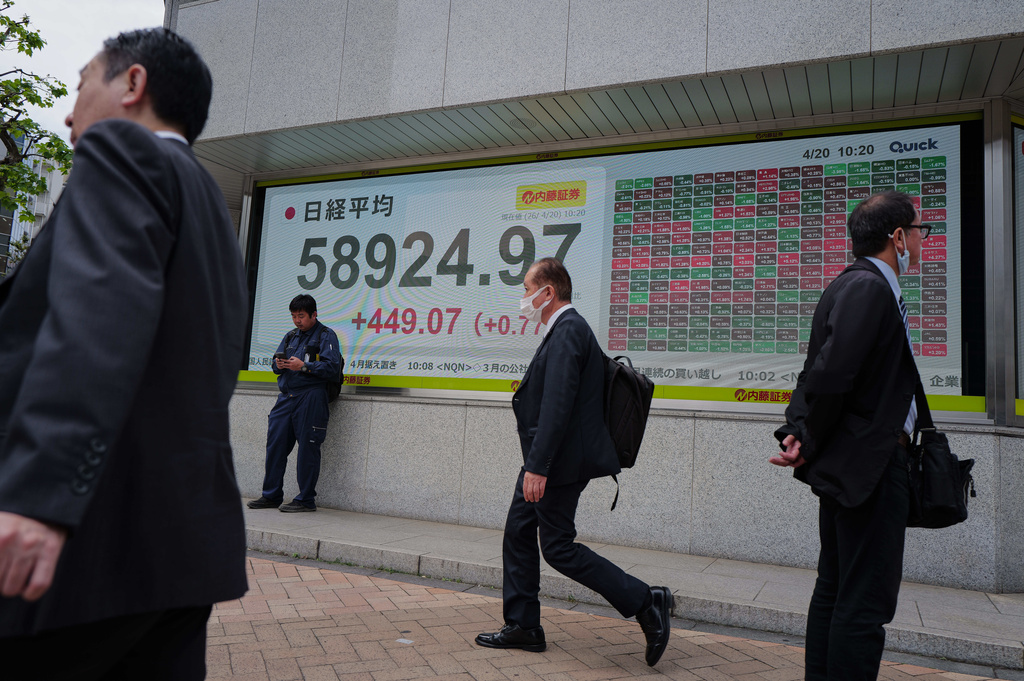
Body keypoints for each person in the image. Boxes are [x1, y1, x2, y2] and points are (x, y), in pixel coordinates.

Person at [0, 29, 248, 678]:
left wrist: (40, 498)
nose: (67, 107)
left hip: (90, 544)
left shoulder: (120, 153)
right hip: (183, 546)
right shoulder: (208, 205)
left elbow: (97, 319)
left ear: (132, 85)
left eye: (81, 83)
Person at [475, 257, 672, 666]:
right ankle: (524, 626)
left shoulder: (567, 329)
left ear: (548, 292)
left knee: (559, 548)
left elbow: (558, 405)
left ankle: (645, 600)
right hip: (548, 459)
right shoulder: (562, 330)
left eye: (527, 288)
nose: (523, 297)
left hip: (557, 463)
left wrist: (539, 466)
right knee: (518, 532)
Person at [772, 190, 926, 681]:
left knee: (836, 590)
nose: (922, 243)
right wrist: (804, 435)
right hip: (871, 468)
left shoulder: (851, 285)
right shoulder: (868, 288)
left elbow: (818, 371)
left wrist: (801, 434)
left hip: (853, 463)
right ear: (897, 237)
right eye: (919, 232)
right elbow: (830, 372)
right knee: (863, 602)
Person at [247, 294, 341, 513]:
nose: (297, 320)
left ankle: (305, 499)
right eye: (294, 316)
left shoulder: (326, 335)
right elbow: (275, 363)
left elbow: (332, 368)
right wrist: (279, 364)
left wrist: (305, 367)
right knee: (275, 445)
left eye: (301, 316)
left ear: (314, 314)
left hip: (311, 396)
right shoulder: (290, 336)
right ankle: (271, 495)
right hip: (286, 397)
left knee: (308, 448)